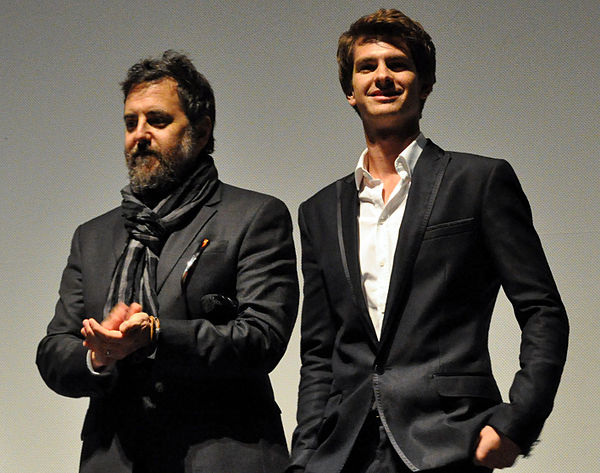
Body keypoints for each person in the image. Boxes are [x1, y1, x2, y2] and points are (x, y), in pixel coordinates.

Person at [288, 9, 568, 473]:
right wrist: (303, 459)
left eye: (397, 64)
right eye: (366, 66)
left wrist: (517, 423)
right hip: (343, 453)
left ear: (425, 84)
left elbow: (543, 312)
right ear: (349, 92)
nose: (382, 76)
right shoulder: (318, 211)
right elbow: (319, 353)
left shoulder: (479, 181)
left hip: (449, 441)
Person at [36, 50, 299, 473]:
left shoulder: (253, 216)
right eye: (130, 123)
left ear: (201, 128)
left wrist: (156, 337)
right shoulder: (93, 236)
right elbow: (54, 350)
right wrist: (98, 357)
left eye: (157, 121)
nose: (139, 135)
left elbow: (262, 338)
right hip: (116, 459)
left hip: (222, 456)